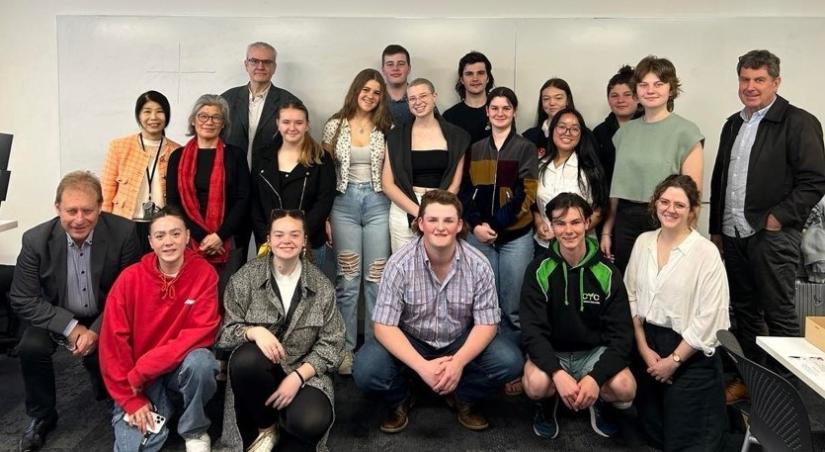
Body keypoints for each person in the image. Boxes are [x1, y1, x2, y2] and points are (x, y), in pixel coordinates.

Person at [353, 190, 523, 433]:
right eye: (432, 220)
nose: (440, 227)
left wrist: (458, 363)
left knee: (510, 360)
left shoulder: (478, 264)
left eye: (448, 220)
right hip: (414, 340)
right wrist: (422, 366)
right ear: (420, 223)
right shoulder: (399, 264)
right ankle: (402, 397)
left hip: (458, 339)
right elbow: (383, 326)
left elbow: (487, 324)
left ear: (459, 225)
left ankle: (462, 396)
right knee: (366, 368)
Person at [709, 49, 825, 401]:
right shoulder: (733, 123)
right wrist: (716, 229)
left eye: (759, 79)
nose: (750, 86)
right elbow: (720, 181)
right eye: (745, 79)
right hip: (734, 235)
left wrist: (778, 219)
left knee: (780, 315)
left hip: (772, 235)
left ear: (776, 81)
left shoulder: (799, 122)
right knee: (744, 312)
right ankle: (752, 382)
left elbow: (814, 180)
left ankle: (787, 393)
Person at [9, 171, 140, 452]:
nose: (79, 219)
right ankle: (42, 416)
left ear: (100, 207)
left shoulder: (124, 233)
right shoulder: (35, 240)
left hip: (105, 313)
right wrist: (70, 327)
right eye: (71, 211)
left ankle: (109, 395)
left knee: (106, 348)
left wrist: (94, 331)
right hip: (54, 314)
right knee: (31, 347)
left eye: (87, 210)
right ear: (57, 208)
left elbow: (129, 293)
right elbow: (22, 297)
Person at [217, 210, 344, 452]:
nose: (287, 240)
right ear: (269, 239)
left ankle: (284, 422)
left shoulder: (321, 286)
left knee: (309, 423)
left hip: (304, 373)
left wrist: (297, 377)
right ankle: (266, 428)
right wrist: (253, 332)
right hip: (259, 372)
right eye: (279, 234)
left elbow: (333, 345)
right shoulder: (245, 279)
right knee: (246, 359)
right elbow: (224, 335)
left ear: (305, 240)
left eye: (294, 234)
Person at [99, 207, 221, 452]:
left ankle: (194, 430)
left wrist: (144, 369)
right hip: (139, 379)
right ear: (150, 241)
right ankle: (157, 408)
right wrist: (130, 399)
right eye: (161, 235)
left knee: (203, 363)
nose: (168, 242)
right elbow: (113, 343)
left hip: (172, 368)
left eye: (175, 234)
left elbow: (200, 332)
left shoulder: (204, 274)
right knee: (135, 447)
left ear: (187, 236)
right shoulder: (129, 279)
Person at [625, 175, 730, 451]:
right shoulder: (643, 242)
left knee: (686, 441)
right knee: (653, 432)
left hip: (690, 353)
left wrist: (673, 360)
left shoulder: (706, 253)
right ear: (655, 204)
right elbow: (631, 297)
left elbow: (711, 318)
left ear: (692, 210)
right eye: (664, 202)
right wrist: (644, 348)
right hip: (649, 347)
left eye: (679, 205)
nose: (670, 209)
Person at [521, 193, 635, 440]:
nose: (568, 230)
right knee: (536, 384)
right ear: (551, 226)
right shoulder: (538, 270)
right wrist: (556, 372)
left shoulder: (607, 272)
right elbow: (531, 331)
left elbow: (622, 336)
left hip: (593, 354)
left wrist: (596, 377)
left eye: (575, 222)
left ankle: (597, 401)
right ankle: (546, 404)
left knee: (625, 388)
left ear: (586, 223)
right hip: (555, 353)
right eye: (560, 223)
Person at [600, 56, 704, 272]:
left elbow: (693, 194)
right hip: (626, 221)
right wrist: (607, 230)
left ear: (671, 88)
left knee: (664, 284)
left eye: (658, 84)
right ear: (637, 90)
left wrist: (688, 236)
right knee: (628, 287)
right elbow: (618, 188)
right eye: (643, 85)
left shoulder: (687, 132)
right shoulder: (624, 133)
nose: (650, 90)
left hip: (667, 218)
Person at [322, 68, 393, 375]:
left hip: (378, 203)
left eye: (377, 92)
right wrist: (324, 214)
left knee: (376, 279)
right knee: (348, 281)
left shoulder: (387, 127)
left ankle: (378, 350)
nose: (371, 96)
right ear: (355, 90)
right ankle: (346, 350)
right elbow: (323, 173)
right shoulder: (334, 126)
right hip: (343, 204)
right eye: (366, 90)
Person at [460, 86, 538, 346]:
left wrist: (494, 224)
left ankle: (513, 364)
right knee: (483, 304)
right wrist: (477, 225)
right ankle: (486, 356)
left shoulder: (525, 147)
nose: (500, 113)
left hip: (515, 237)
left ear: (514, 112)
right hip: (479, 236)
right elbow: (466, 191)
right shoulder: (476, 148)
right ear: (487, 111)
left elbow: (526, 194)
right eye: (495, 108)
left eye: (506, 108)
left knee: (513, 307)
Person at [166, 94, 251, 297]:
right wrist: (203, 237)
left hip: (228, 242)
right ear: (193, 121)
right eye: (203, 116)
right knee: (189, 300)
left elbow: (243, 199)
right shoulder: (177, 157)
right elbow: (173, 203)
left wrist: (220, 236)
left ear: (223, 124)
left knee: (227, 300)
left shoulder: (235, 155)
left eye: (216, 117)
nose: (209, 122)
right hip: (188, 242)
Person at [251, 102, 336, 280]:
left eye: (298, 122)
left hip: (311, 244)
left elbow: (324, 201)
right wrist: (270, 236)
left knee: (311, 301)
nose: (292, 127)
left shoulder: (320, 158)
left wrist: (299, 235)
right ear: (278, 123)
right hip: (271, 245)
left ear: (307, 125)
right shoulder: (262, 156)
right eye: (286, 122)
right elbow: (254, 200)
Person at [384, 78, 469, 251]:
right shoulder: (395, 136)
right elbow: (387, 184)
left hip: (442, 208)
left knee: (437, 268)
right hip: (404, 208)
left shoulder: (457, 136)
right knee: (404, 269)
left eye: (423, 96)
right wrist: (419, 212)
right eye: (412, 98)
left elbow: (455, 183)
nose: (418, 102)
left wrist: (433, 213)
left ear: (434, 96)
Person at [101, 90, 180, 253]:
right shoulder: (119, 147)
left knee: (157, 273)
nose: (153, 117)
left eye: (159, 111)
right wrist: (104, 228)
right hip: (124, 224)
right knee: (128, 273)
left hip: (162, 227)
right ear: (138, 116)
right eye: (147, 111)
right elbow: (107, 191)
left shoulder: (177, 151)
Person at [533, 108, 608, 256]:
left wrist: (567, 231)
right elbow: (534, 205)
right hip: (544, 246)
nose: (567, 132)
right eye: (562, 127)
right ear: (552, 129)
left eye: (574, 129)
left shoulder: (590, 168)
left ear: (581, 134)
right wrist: (538, 223)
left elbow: (599, 210)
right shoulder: (539, 165)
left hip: (581, 246)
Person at [222, 41, 300, 168]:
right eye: (254, 61)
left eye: (267, 62)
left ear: (274, 67)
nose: (260, 66)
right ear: (246, 65)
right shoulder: (226, 99)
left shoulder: (290, 102)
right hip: (232, 176)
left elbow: (296, 147)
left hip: (271, 178)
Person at [592, 65, 642, 188]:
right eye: (614, 96)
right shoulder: (599, 132)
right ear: (608, 100)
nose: (620, 100)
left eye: (627, 94)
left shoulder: (651, 128)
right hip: (608, 200)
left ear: (638, 98)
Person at [443, 51, 494, 145]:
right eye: (469, 74)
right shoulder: (449, 117)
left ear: (488, 78)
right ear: (461, 79)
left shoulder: (501, 113)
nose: (475, 78)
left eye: (481, 73)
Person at [523, 78, 575, 158]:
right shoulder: (529, 136)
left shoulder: (582, 135)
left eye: (558, 98)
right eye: (546, 99)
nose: (552, 103)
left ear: (567, 100)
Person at [381, 44, 414, 126]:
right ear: (383, 70)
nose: (395, 68)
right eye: (390, 64)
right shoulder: (374, 98)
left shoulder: (422, 98)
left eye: (401, 64)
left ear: (409, 69)